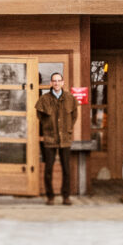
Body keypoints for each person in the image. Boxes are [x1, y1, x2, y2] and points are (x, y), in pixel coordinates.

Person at [36, 65, 78, 204]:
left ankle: (66, 196)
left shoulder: (70, 98)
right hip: (50, 139)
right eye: (54, 80)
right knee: (48, 169)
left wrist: (68, 129)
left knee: (66, 169)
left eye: (59, 80)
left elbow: (74, 116)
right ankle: (50, 196)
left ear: (63, 82)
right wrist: (47, 128)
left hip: (65, 139)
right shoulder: (44, 99)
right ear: (51, 83)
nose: (56, 83)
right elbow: (40, 116)